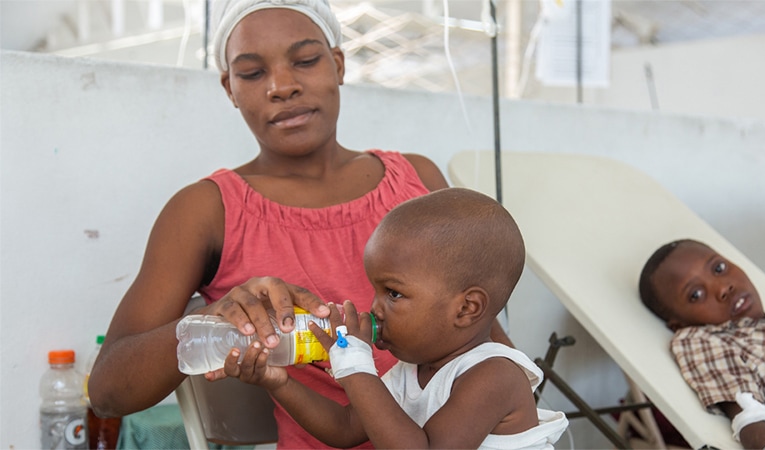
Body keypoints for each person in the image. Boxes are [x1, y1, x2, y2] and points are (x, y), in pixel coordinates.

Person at [87, 0, 511, 448]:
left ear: (339, 64)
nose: (283, 86)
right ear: (230, 88)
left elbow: (491, 345)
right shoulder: (205, 211)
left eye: (306, 60)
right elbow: (108, 391)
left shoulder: (417, 181)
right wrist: (217, 315)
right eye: (252, 73)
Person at [222, 187, 569, 448]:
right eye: (375, 292)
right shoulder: (411, 372)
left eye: (394, 294)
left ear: (466, 309)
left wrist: (356, 367)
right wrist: (279, 382)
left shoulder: (494, 375)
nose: (374, 308)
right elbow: (345, 428)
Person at [639, 239, 765, 449]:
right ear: (679, 324)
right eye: (696, 294)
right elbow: (751, 415)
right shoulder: (704, 340)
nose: (723, 287)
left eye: (719, 268)